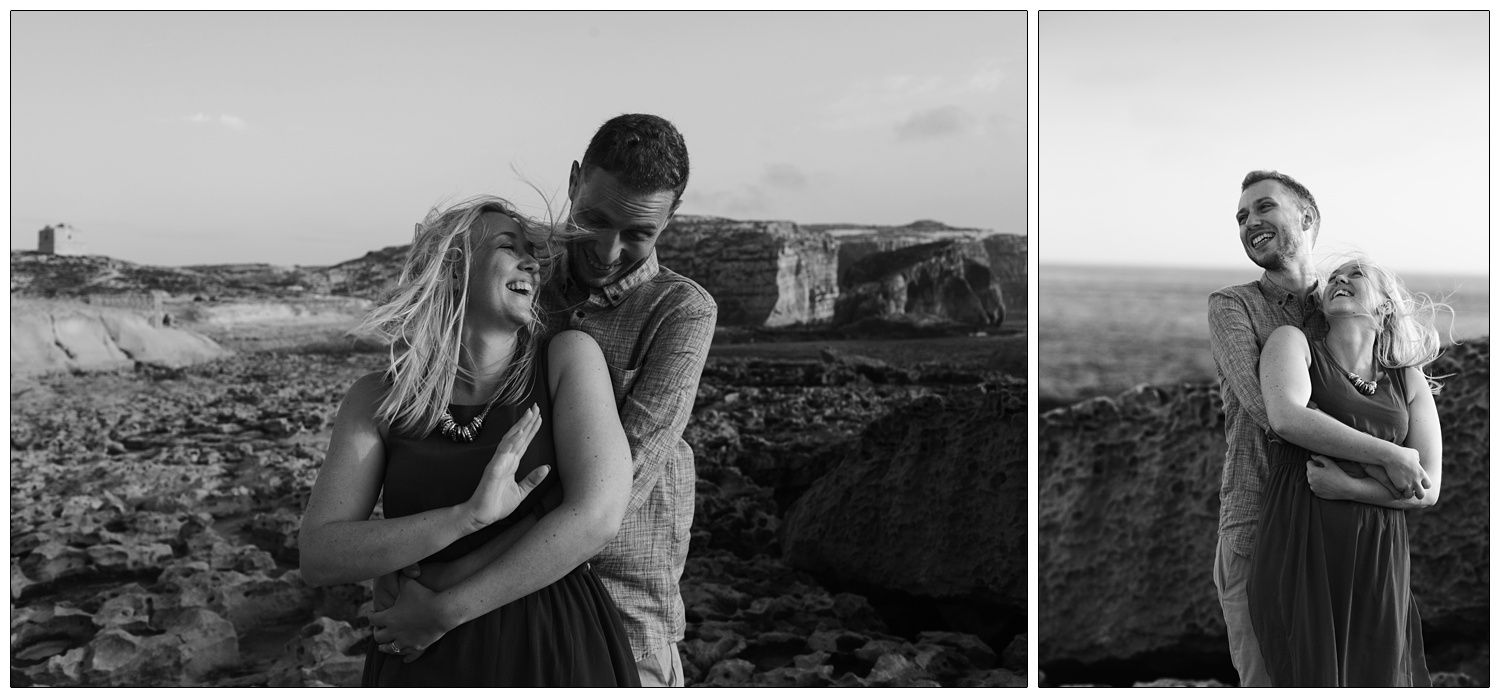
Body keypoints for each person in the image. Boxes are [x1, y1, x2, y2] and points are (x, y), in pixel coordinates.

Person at [366, 114, 716, 687]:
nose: (606, 251)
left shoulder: (680, 311)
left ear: (671, 217)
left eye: (638, 234)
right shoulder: (520, 279)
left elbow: (615, 491)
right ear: (575, 181)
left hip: (622, 605)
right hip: (487, 614)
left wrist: (442, 579)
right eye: (595, 220)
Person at [298, 196, 641, 686]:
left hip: (546, 644)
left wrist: (443, 611)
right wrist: (464, 519)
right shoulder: (377, 398)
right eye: (509, 246)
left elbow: (598, 515)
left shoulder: (567, 360)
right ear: (454, 267)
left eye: (534, 253)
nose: (532, 263)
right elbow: (318, 554)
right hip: (421, 658)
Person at [1207, 170, 1432, 687]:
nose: (1250, 223)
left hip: (1354, 534)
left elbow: (1391, 405)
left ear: (1307, 218)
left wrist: (1363, 485)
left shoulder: (1342, 308)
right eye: (1241, 217)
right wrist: (1392, 458)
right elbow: (1277, 416)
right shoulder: (1235, 307)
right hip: (1259, 521)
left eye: (1264, 208)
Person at [1247, 254, 1443, 686]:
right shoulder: (1292, 343)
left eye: (1356, 275)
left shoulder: (1407, 379)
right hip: (1302, 533)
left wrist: (1350, 487)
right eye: (1334, 276)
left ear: (1386, 305)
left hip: (1380, 552)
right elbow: (1287, 417)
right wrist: (1391, 456)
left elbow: (1427, 488)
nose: (1340, 279)